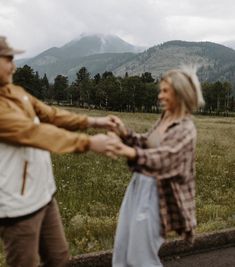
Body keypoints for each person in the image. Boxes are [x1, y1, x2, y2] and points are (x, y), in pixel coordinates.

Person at [0, 36, 118, 267]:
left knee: (59, 259)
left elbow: (52, 115)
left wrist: (94, 121)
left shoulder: (17, 92)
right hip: (18, 207)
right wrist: (90, 143)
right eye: (8, 59)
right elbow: (35, 133)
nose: (14, 65)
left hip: (45, 196)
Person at [108, 66, 205, 267]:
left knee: (140, 257)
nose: (160, 96)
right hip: (138, 186)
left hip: (158, 194)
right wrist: (124, 133)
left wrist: (130, 152)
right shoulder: (165, 118)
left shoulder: (186, 128)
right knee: (122, 248)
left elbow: (165, 158)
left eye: (165, 91)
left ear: (180, 93)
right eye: (160, 90)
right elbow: (147, 142)